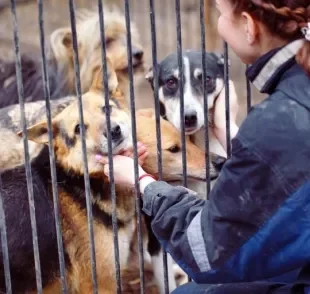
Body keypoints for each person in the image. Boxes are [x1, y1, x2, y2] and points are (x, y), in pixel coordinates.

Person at [96, 0, 310, 293]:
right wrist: (225, 128)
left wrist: (141, 182)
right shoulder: (294, 91)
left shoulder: (277, 119)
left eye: (221, 14)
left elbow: (208, 252)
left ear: (248, 26)